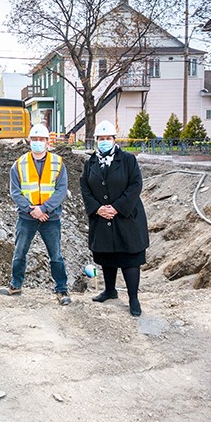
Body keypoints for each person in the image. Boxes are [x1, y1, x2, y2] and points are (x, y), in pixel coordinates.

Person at [80, 120, 149, 316]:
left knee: (130, 258)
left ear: (114, 139)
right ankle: (110, 290)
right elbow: (85, 188)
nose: (104, 141)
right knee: (107, 255)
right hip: (101, 217)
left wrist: (117, 208)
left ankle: (133, 299)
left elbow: (135, 185)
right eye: (100, 139)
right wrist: (98, 209)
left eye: (107, 138)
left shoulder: (127, 159)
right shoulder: (90, 162)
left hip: (127, 217)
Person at [1, 123, 71, 305]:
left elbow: (61, 190)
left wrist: (44, 209)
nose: (38, 142)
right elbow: (15, 192)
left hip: (51, 217)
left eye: (41, 139)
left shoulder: (58, 163)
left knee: (55, 255)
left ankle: (62, 289)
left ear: (47, 142)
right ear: (29, 141)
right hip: (27, 217)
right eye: (35, 139)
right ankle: (15, 284)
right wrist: (32, 210)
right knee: (20, 252)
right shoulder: (19, 164)